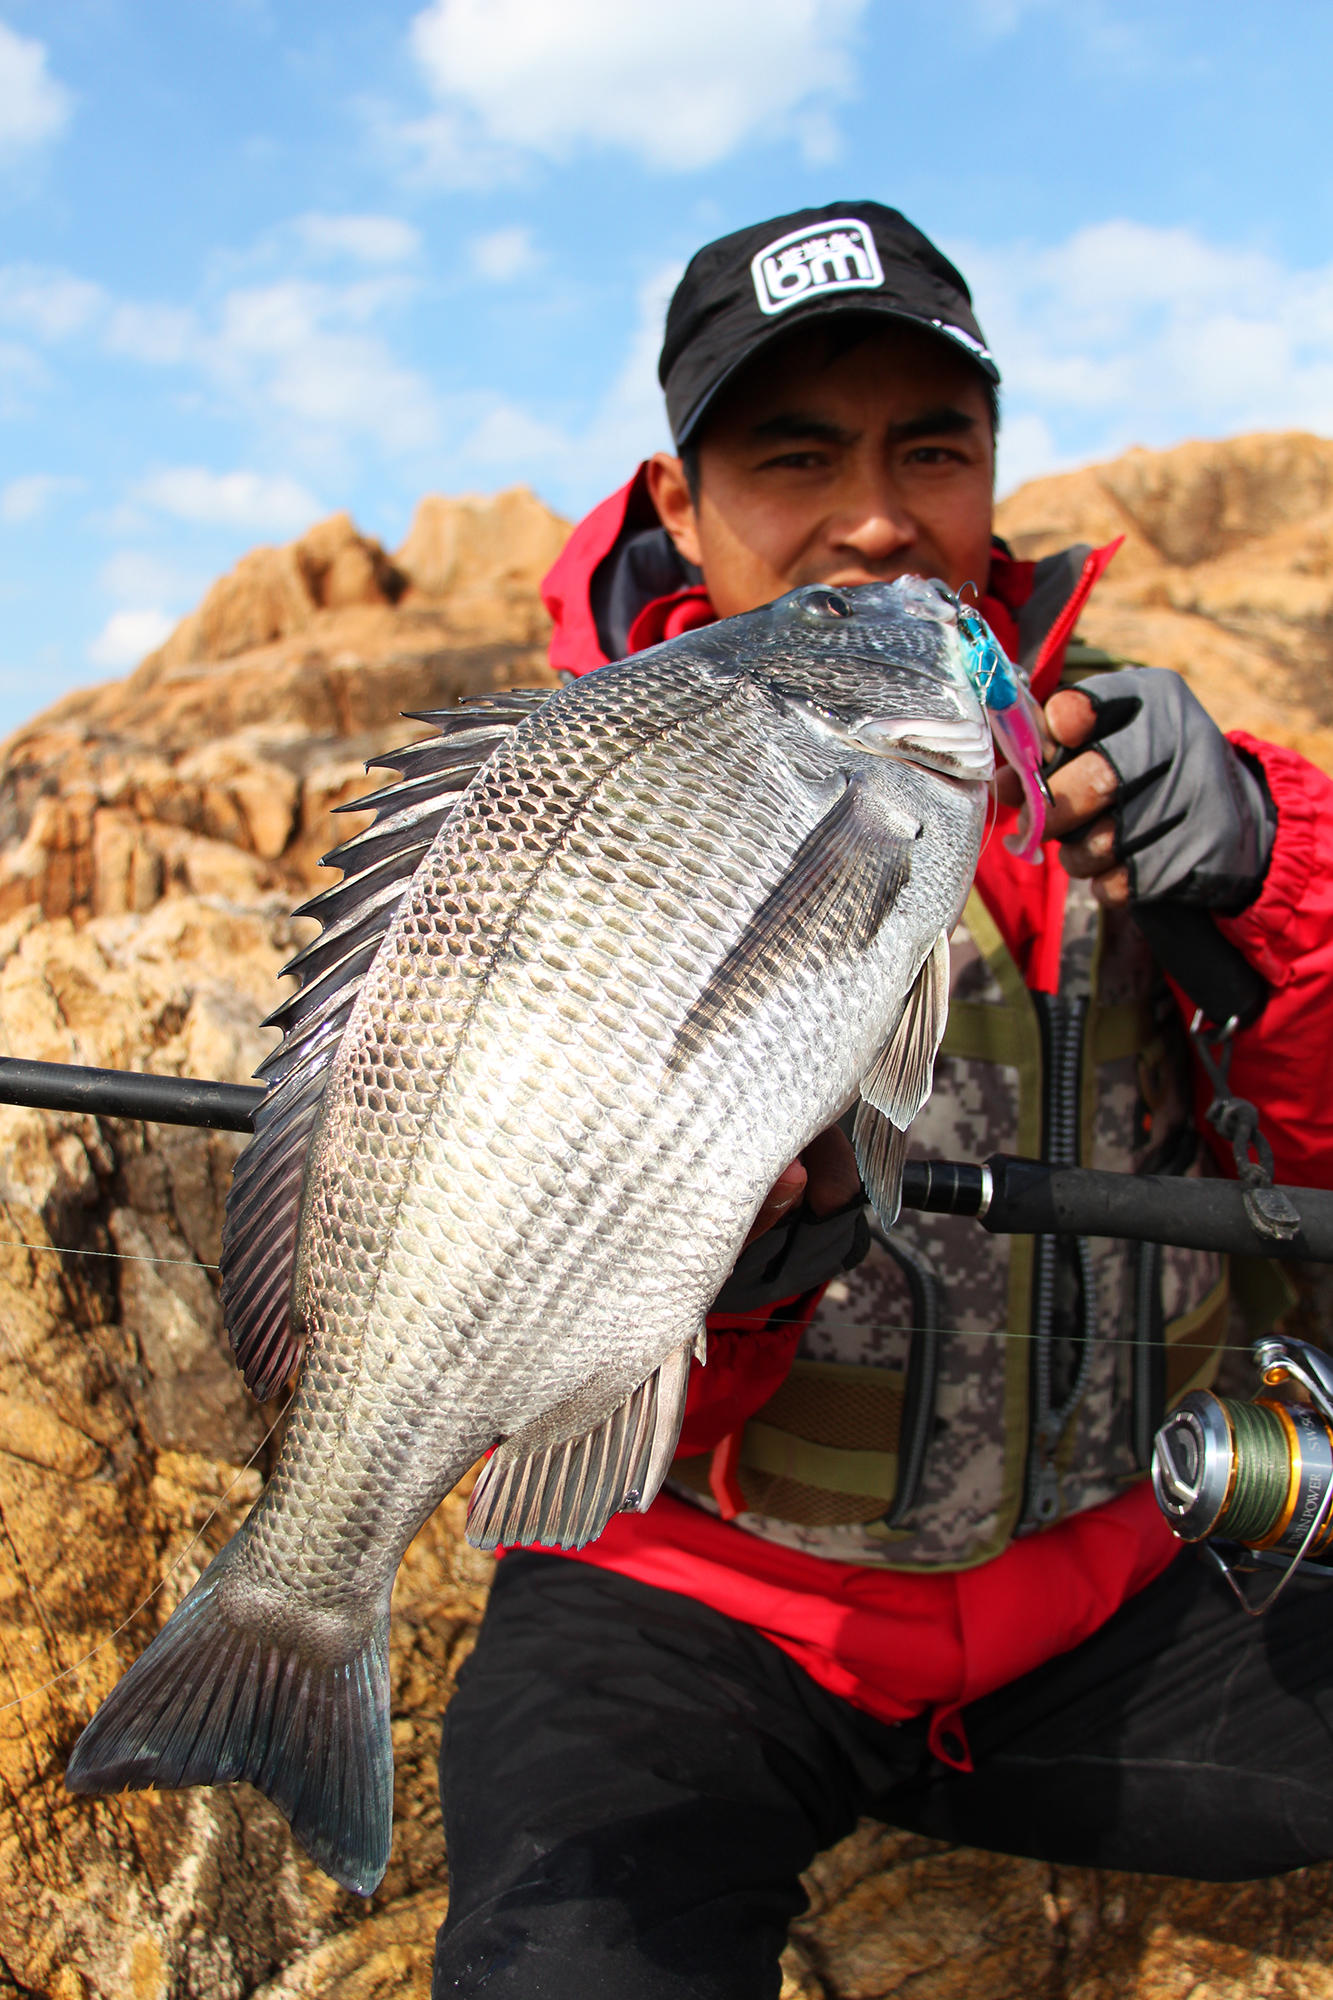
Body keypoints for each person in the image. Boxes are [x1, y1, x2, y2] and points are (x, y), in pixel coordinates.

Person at [432, 204, 1333, 1999]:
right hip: (687, 1613)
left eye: (933, 448)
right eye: (794, 455)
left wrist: (1262, 866)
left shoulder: (1121, 756)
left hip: (1125, 1592)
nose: (874, 515)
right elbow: (482, 1327)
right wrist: (746, 1267)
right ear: (675, 505)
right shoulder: (545, 840)